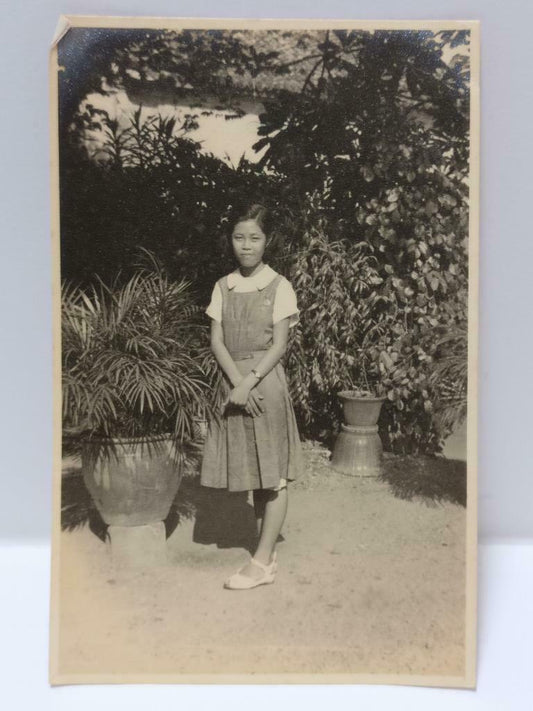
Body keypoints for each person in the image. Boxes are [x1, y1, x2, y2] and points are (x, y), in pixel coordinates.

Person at [200, 203, 303, 590]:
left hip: (265, 384)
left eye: (254, 238)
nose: (246, 245)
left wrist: (249, 382)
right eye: (239, 237)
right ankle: (266, 554)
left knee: (272, 474)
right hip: (233, 384)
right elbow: (216, 340)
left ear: (267, 241)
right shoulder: (222, 286)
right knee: (255, 471)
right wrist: (235, 384)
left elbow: (280, 344)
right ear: (231, 240)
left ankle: (261, 562)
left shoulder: (279, 286)